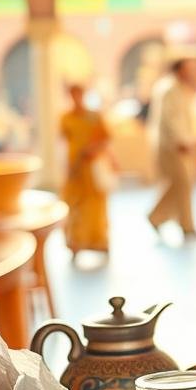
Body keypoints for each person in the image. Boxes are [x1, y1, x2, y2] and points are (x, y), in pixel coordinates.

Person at [147, 58, 196, 240]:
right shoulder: (169, 89)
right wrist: (182, 141)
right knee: (182, 183)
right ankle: (170, 221)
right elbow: (171, 119)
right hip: (172, 145)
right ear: (180, 70)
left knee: (182, 185)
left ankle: (168, 219)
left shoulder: (177, 88)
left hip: (177, 144)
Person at [60, 84, 112, 260]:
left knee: (95, 204)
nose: (76, 98)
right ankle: (75, 242)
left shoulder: (94, 116)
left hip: (91, 166)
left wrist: (93, 150)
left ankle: (98, 241)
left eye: (79, 94)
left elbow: (105, 139)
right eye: (73, 94)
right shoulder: (66, 118)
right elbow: (64, 142)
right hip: (74, 167)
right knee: (75, 203)